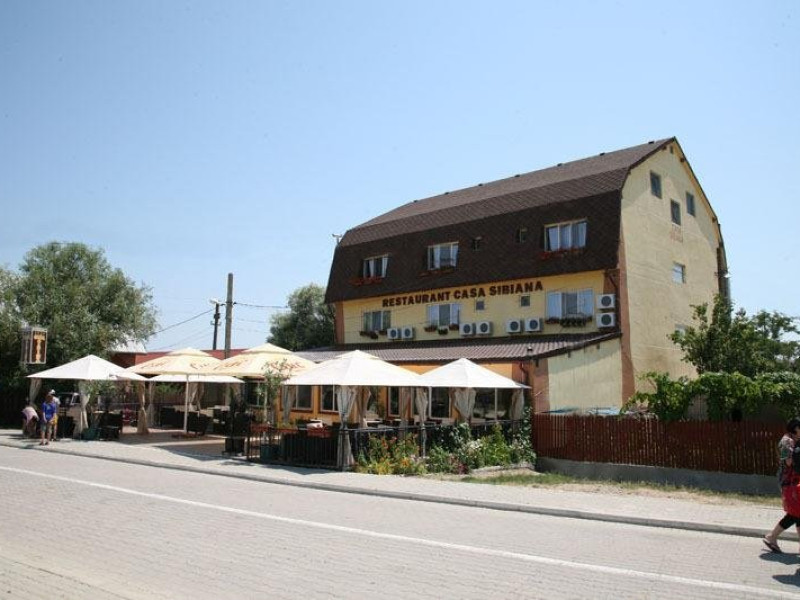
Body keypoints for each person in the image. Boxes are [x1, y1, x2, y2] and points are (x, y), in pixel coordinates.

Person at [763, 417, 800, 553]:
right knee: (795, 512)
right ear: (796, 428)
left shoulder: (795, 440)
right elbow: (788, 462)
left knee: (797, 512)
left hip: (794, 480)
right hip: (789, 481)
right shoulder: (787, 441)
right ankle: (772, 537)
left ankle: (772, 537)